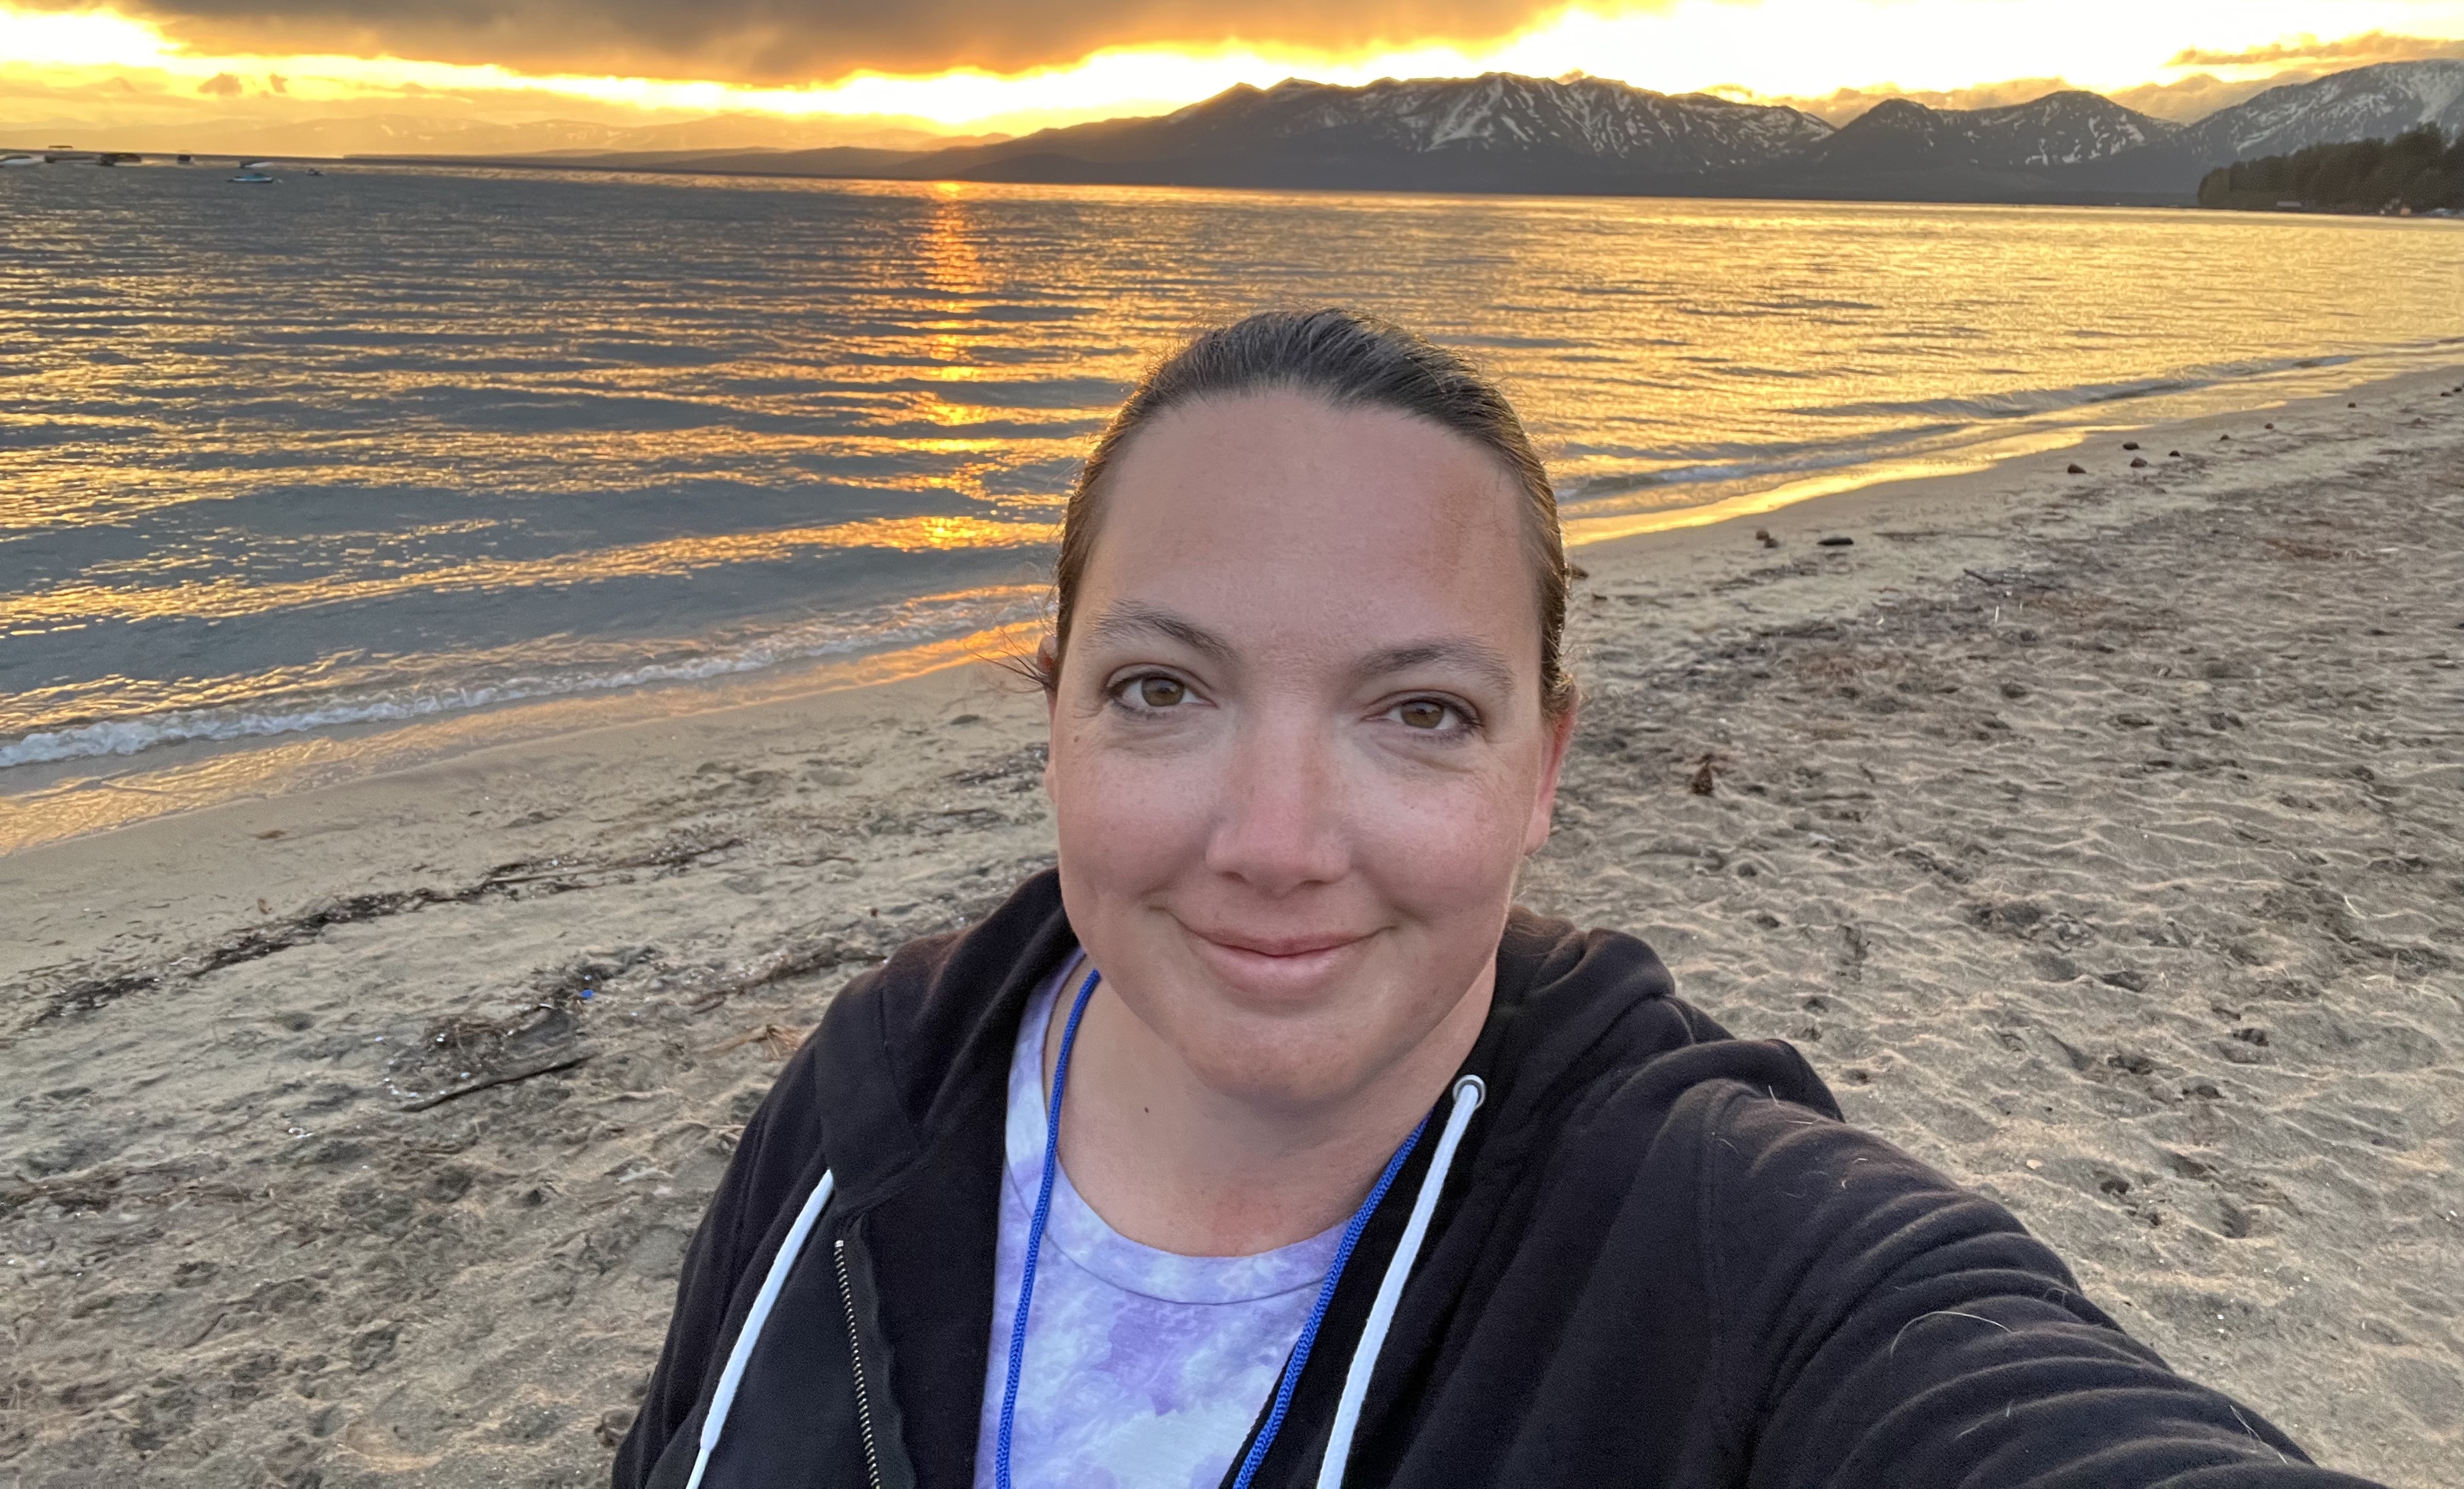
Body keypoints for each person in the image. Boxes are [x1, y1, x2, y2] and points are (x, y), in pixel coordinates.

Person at [616, 309, 2380, 1489]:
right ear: (1055, 710)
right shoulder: (877, 1089)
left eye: (1421, 713)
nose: (1278, 842)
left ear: (1544, 767)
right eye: (1163, 688)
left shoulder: (1717, 1240)